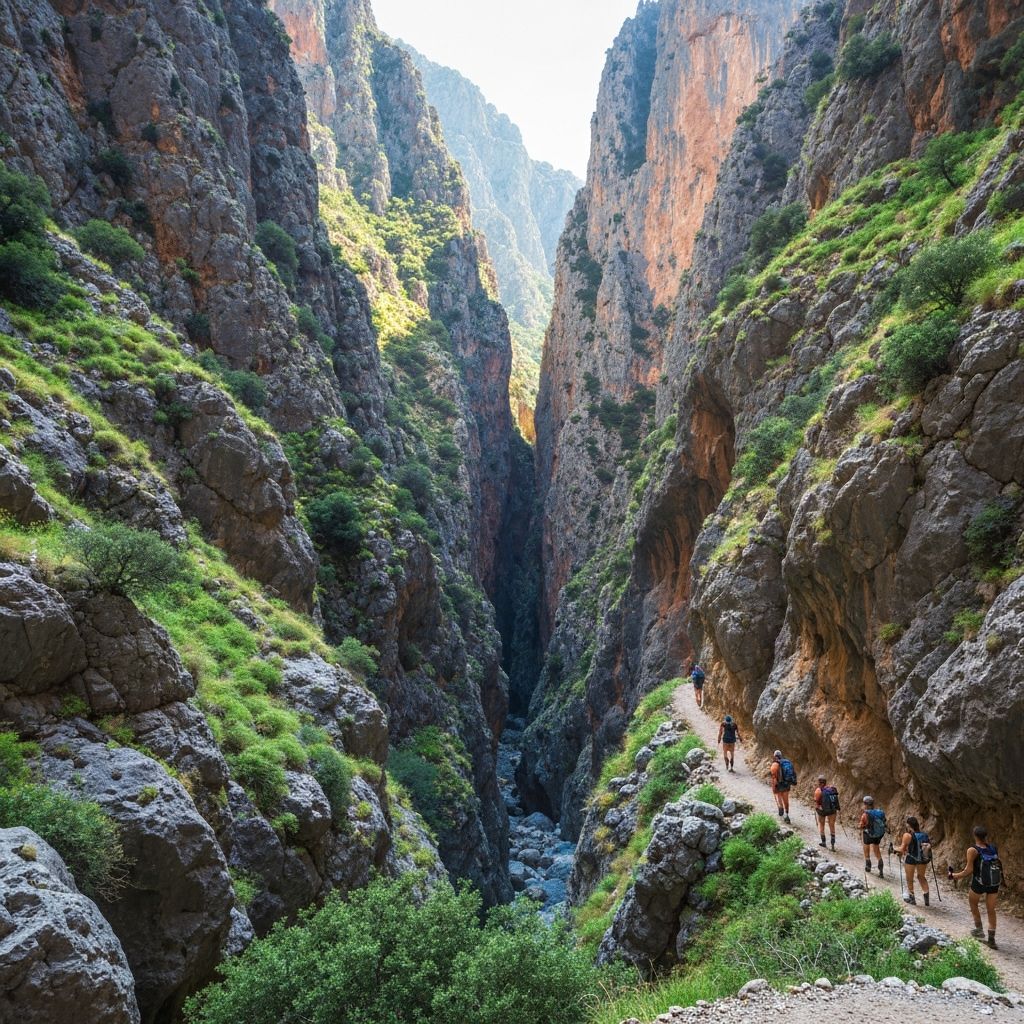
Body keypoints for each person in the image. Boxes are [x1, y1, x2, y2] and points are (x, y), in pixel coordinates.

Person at [951, 826, 1002, 949]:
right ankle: (991, 940)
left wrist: (955, 876)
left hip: (979, 882)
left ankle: (979, 930)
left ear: (974, 835)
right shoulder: (993, 848)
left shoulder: (972, 850)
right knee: (991, 909)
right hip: (994, 883)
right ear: (985, 836)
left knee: (973, 903)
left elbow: (969, 870)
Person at [894, 816, 931, 906]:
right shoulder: (924, 835)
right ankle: (926, 898)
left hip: (911, 858)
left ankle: (912, 897)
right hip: (922, 859)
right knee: (921, 876)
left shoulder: (907, 835)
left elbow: (902, 849)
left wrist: (894, 849)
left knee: (909, 879)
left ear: (909, 825)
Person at [859, 795, 887, 877]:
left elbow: (861, 825)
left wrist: (861, 826)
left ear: (866, 805)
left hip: (869, 834)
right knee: (876, 848)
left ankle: (868, 864)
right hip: (878, 835)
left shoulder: (865, 814)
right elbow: (884, 822)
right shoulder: (880, 812)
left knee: (866, 845)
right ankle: (880, 865)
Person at [814, 774, 839, 850]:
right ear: (825, 782)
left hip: (822, 810)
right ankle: (832, 844)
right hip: (832, 810)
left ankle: (824, 842)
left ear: (819, 782)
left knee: (822, 824)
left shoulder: (818, 790)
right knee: (832, 825)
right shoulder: (832, 789)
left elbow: (816, 800)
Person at [769, 750, 794, 823]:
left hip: (779, 785)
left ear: (775, 756)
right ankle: (786, 814)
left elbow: (774, 777)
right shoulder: (787, 763)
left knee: (779, 796)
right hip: (786, 784)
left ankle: (781, 807)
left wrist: (774, 787)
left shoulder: (774, 765)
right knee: (786, 800)